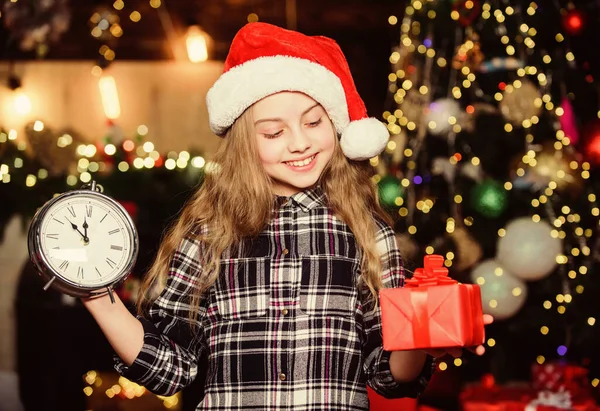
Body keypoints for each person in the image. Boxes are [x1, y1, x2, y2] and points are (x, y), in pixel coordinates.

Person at [82, 22, 475, 410]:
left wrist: (420, 337)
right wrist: (96, 295)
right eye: (274, 132)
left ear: (335, 123)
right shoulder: (209, 234)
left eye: (313, 122)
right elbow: (169, 368)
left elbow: (387, 376)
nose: (300, 142)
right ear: (244, 143)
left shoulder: (368, 235)